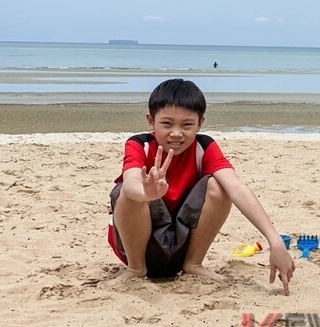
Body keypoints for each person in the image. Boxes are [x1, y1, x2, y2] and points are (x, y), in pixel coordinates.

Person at [106, 79, 295, 292]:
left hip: (181, 248)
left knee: (220, 185)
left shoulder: (203, 147)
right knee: (125, 192)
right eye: (167, 124)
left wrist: (275, 241)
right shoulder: (140, 144)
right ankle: (136, 269)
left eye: (187, 125)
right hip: (138, 248)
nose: (176, 133)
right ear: (151, 121)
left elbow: (236, 188)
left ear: (200, 123)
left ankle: (193, 264)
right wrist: (144, 193)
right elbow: (130, 182)